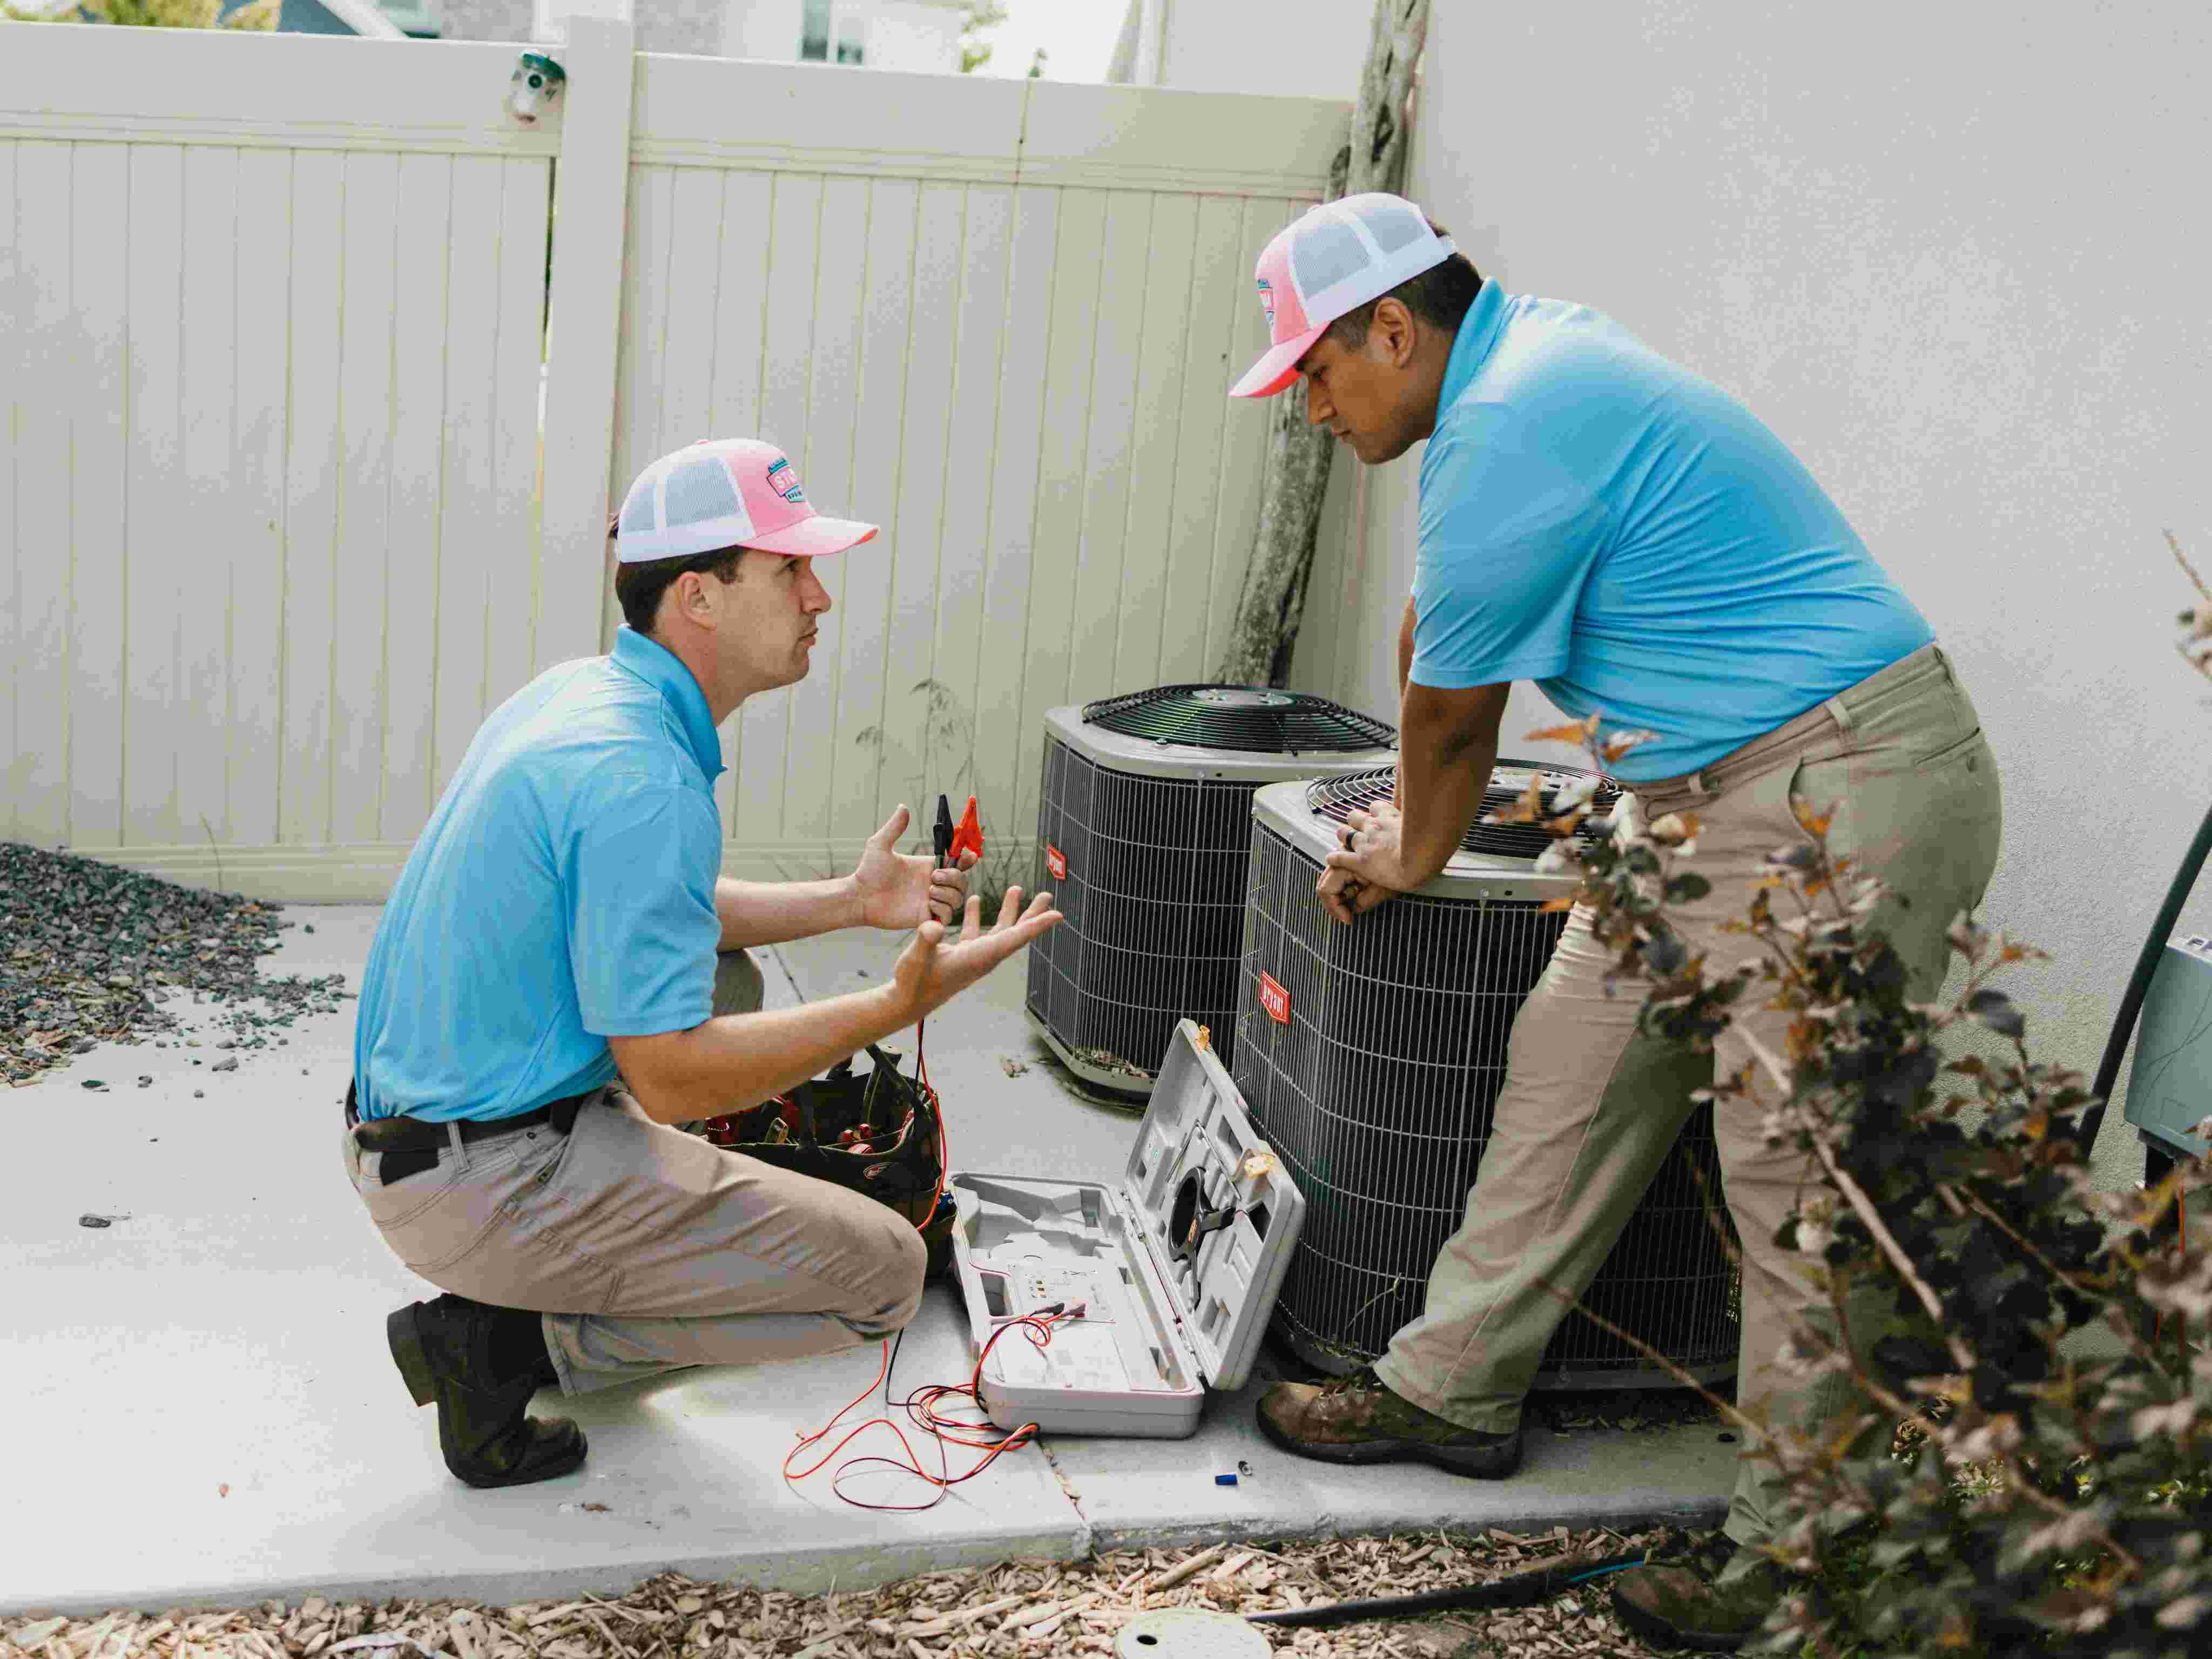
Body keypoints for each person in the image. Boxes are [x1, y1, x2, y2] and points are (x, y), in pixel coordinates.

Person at [1227, 195, 2001, 1651]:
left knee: (1795, 1182)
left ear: (1395, 328)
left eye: (1318, 372)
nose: (1312, 407)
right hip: (1706, 797)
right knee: (1576, 1059)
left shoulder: (1518, 414)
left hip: (1841, 785)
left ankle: (1809, 1564)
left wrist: (1414, 848)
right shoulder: (1513, 392)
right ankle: (1453, 1385)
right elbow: (1431, 640)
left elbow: (1452, 724)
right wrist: (1417, 827)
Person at [344, 437, 1060, 1491]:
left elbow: (651, 910)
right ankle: (500, 1346)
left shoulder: (586, 699)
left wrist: (848, 903)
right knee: (884, 1273)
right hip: (475, 1181)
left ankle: (574, 1252)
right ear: (700, 597)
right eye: (788, 570)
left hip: (423, 1137)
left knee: (722, 983)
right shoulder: (640, 775)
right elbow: (670, 1075)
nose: (819, 596)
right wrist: (888, 1003)